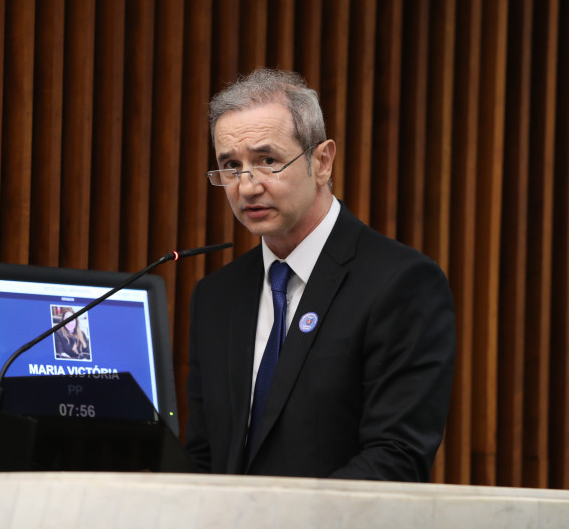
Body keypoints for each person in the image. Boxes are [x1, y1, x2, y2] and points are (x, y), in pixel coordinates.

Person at [185, 68, 456, 481]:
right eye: (231, 166)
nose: (247, 186)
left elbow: (396, 456)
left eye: (267, 160)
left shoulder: (400, 283)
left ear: (322, 161)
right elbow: (204, 455)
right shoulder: (216, 296)